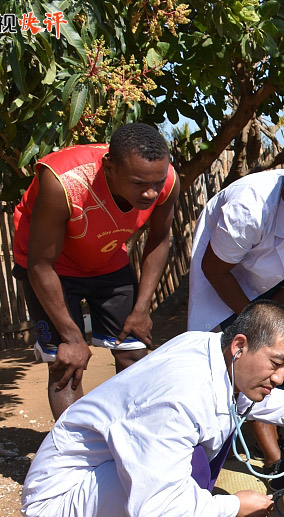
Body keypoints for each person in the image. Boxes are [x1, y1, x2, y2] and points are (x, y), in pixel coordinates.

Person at [21, 301, 284, 517]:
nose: (280, 378)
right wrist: (233, 507)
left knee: (203, 446)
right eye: (277, 363)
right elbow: (156, 507)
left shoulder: (214, 349)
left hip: (96, 477)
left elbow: (234, 396)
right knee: (192, 464)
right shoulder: (177, 399)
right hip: (60, 505)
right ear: (240, 345)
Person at [188, 136, 284, 476]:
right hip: (228, 277)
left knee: (279, 359)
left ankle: (274, 446)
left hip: (278, 275)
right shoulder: (249, 208)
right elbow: (214, 269)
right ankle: (269, 458)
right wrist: (254, 319)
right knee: (242, 363)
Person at [12, 123, 180, 419]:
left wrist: (141, 309)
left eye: (157, 181)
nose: (151, 192)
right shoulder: (63, 181)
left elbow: (159, 239)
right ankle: (78, 454)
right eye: (139, 183)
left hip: (106, 257)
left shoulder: (165, 181)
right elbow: (40, 264)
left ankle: (131, 438)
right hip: (51, 266)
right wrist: (72, 337)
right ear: (109, 168)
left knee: (135, 351)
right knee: (67, 362)